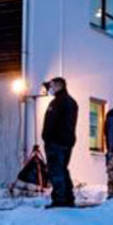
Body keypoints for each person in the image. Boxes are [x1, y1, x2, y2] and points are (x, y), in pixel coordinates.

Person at [40, 76, 78, 208]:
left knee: (56, 170)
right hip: (67, 141)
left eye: (52, 86)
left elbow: (51, 122)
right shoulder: (72, 102)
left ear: (59, 86)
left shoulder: (58, 102)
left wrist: (46, 137)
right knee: (62, 169)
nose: (50, 89)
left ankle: (60, 200)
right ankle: (68, 197)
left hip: (56, 141)